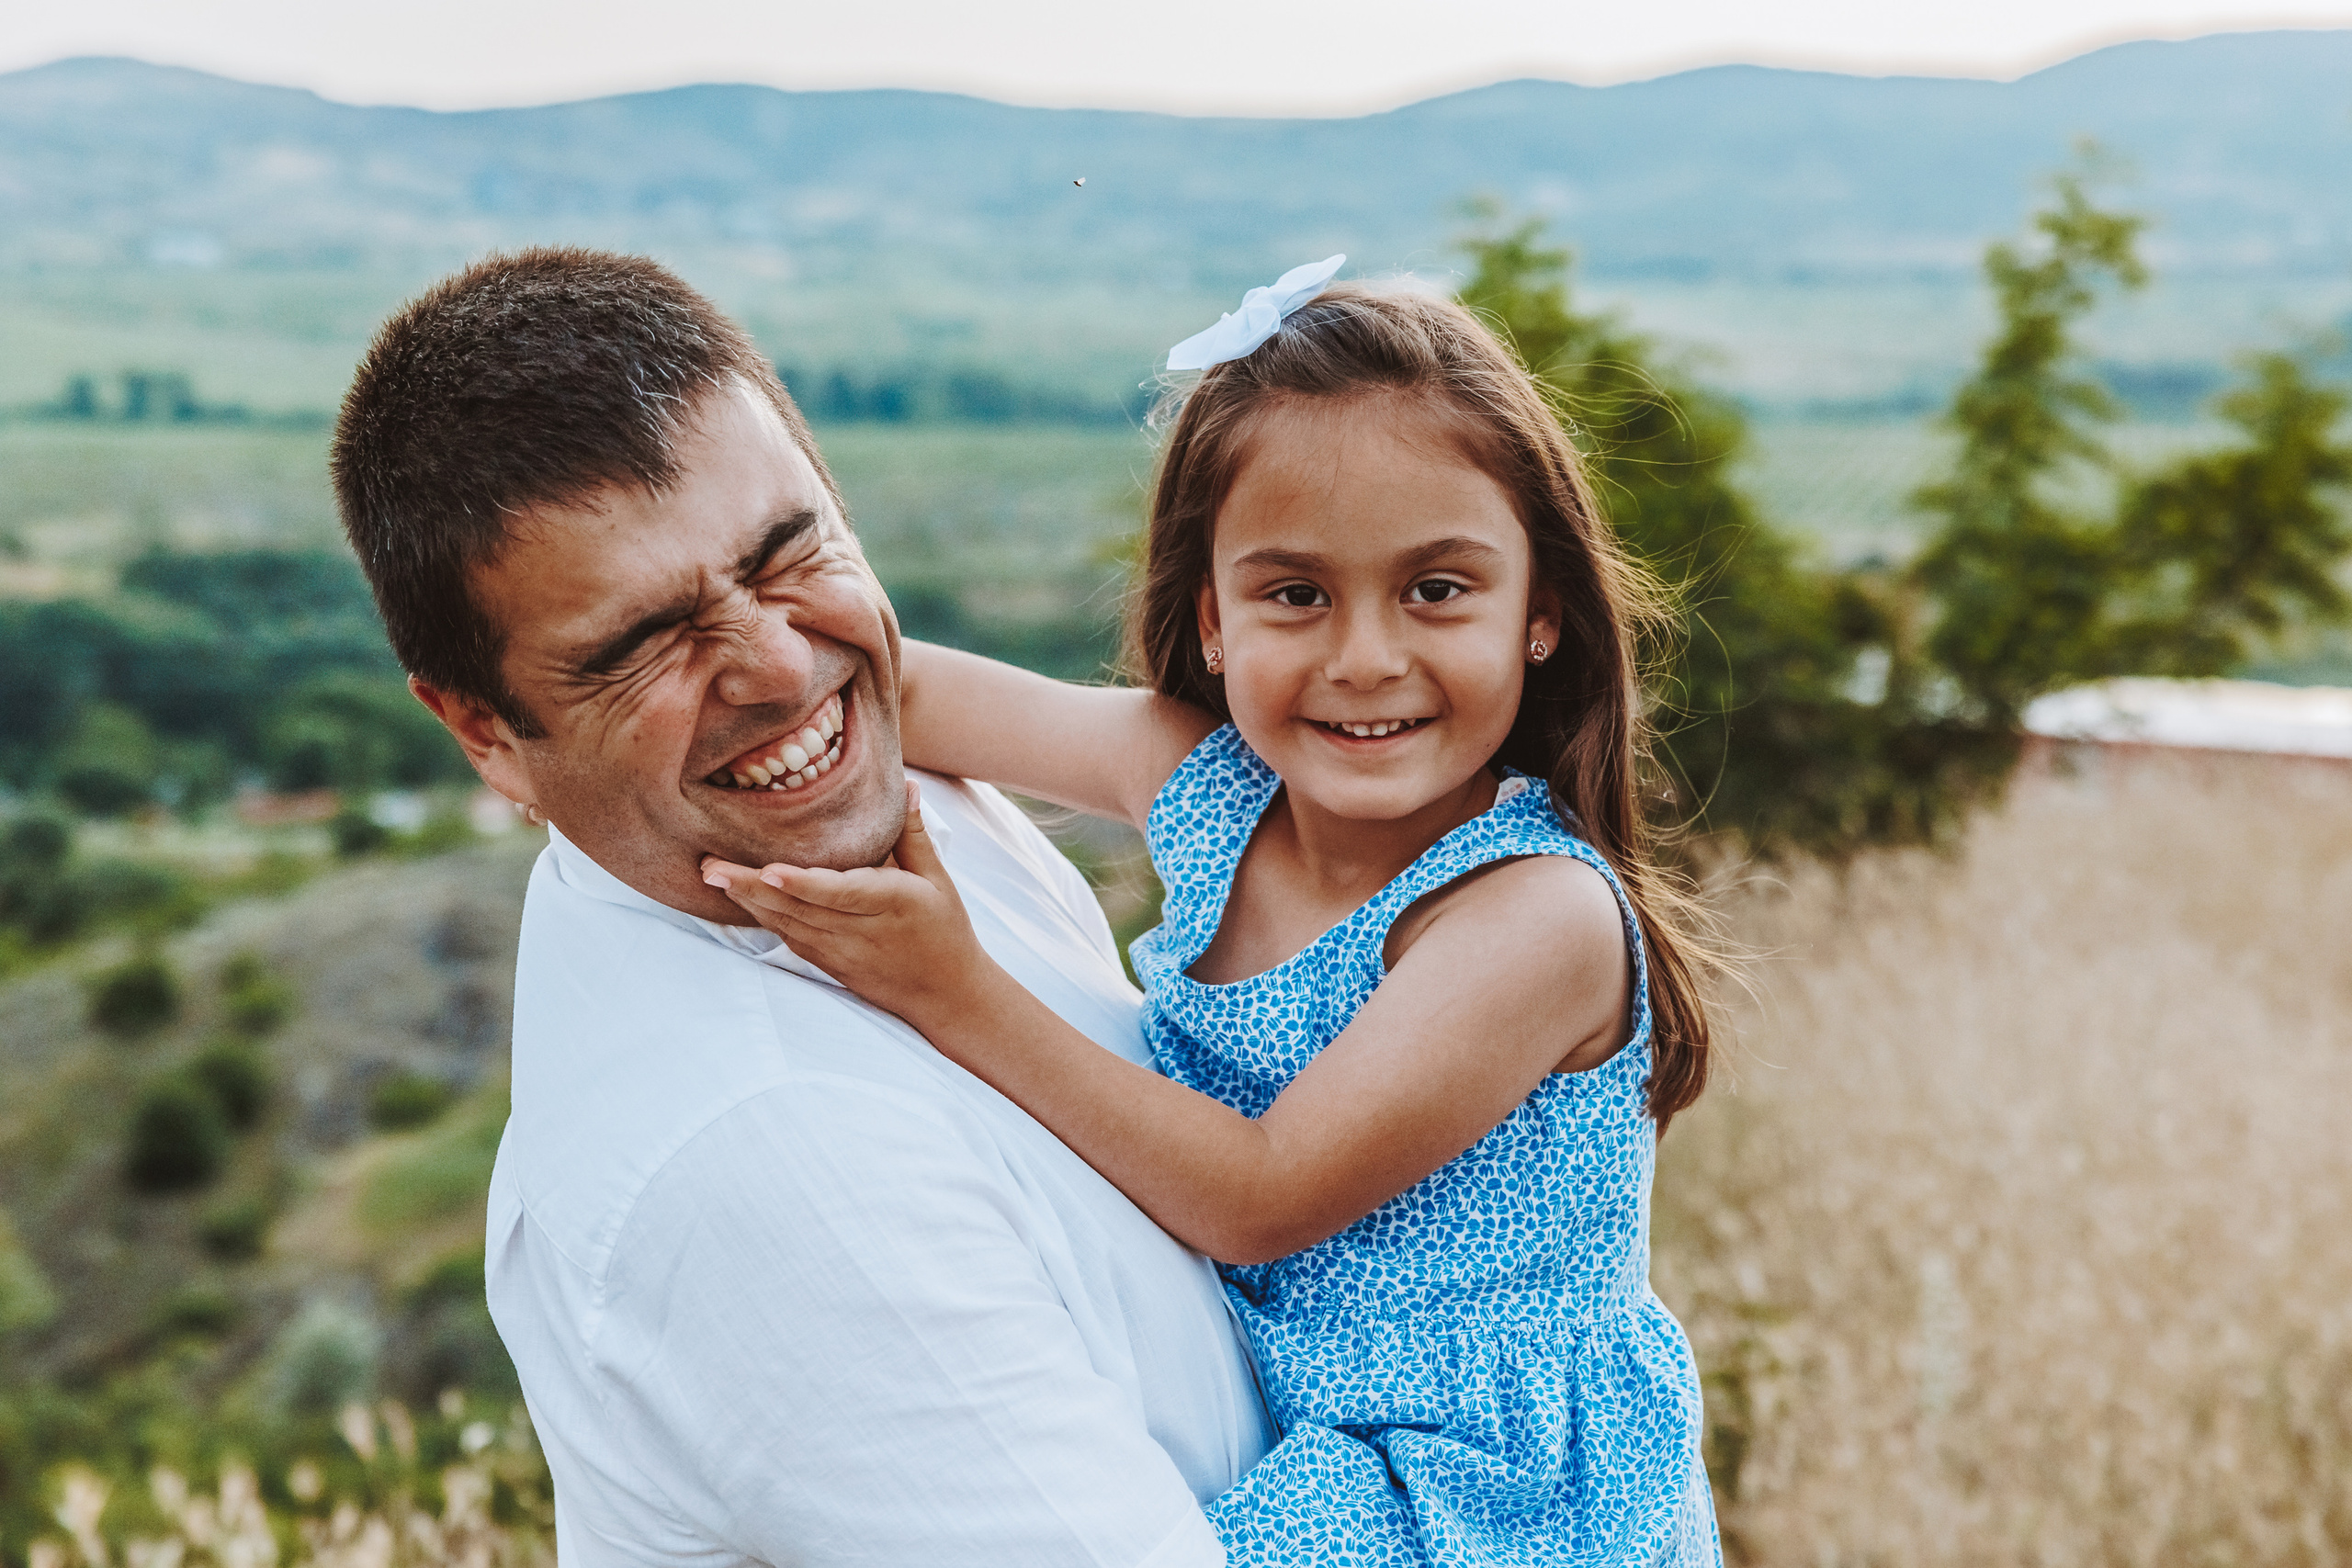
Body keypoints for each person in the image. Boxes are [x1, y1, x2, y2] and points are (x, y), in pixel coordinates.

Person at [704, 269, 1727, 1564]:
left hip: (1483, 1493)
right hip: (1311, 1426)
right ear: (1215, 621)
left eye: (1438, 590)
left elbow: (1261, 1196)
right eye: (1296, 595)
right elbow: (899, 689)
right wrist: (711, 669)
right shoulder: (1206, 790)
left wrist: (947, 987)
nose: (1366, 657)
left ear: (1542, 616)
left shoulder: (1531, 915)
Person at [330, 248, 1273, 1567]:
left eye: (788, 551)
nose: (778, 670)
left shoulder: (872, 800)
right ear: (488, 735)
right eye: (642, 644)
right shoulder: (770, 1159)